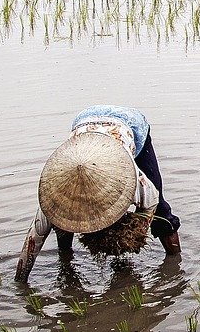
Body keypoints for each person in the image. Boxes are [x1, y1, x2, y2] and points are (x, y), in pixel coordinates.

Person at [16, 105, 181, 281]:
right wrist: (21, 281)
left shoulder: (136, 182)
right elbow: (32, 243)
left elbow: (150, 206)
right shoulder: (53, 199)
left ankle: (176, 267)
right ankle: (66, 262)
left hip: (130, 124)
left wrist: (129, 236)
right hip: (84, 122)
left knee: (162, 214)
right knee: (61, 223)